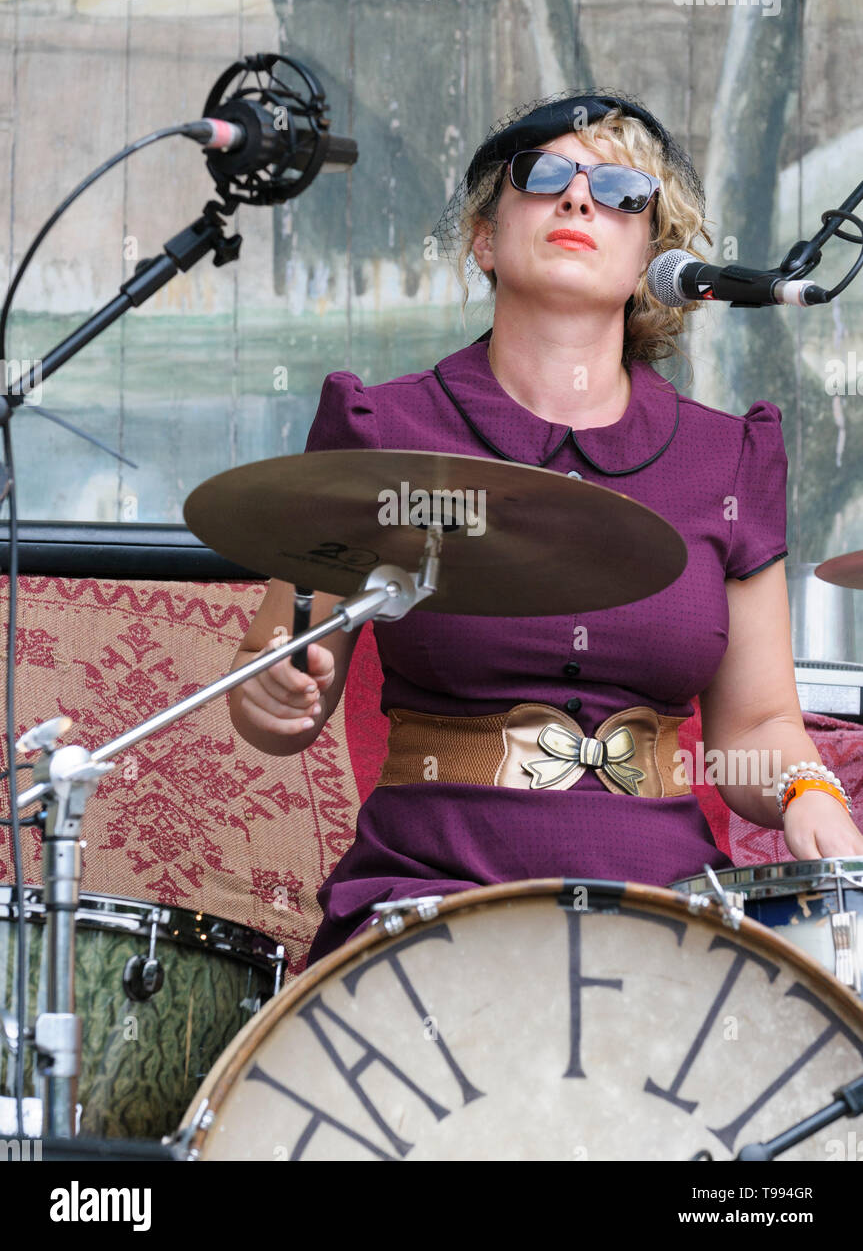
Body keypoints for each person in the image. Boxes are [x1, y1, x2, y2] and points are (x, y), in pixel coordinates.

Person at [227, 89, 863, 968]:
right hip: (429, 897)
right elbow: (278, 696)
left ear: (654, 257)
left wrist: (805, 790)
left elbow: (756, 725)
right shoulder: (380, 432)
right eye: (545, 177)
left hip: (667, 906)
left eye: (618, 192)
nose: (578, 199)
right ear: (484, 239)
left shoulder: (728, 459)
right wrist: (270, 696)